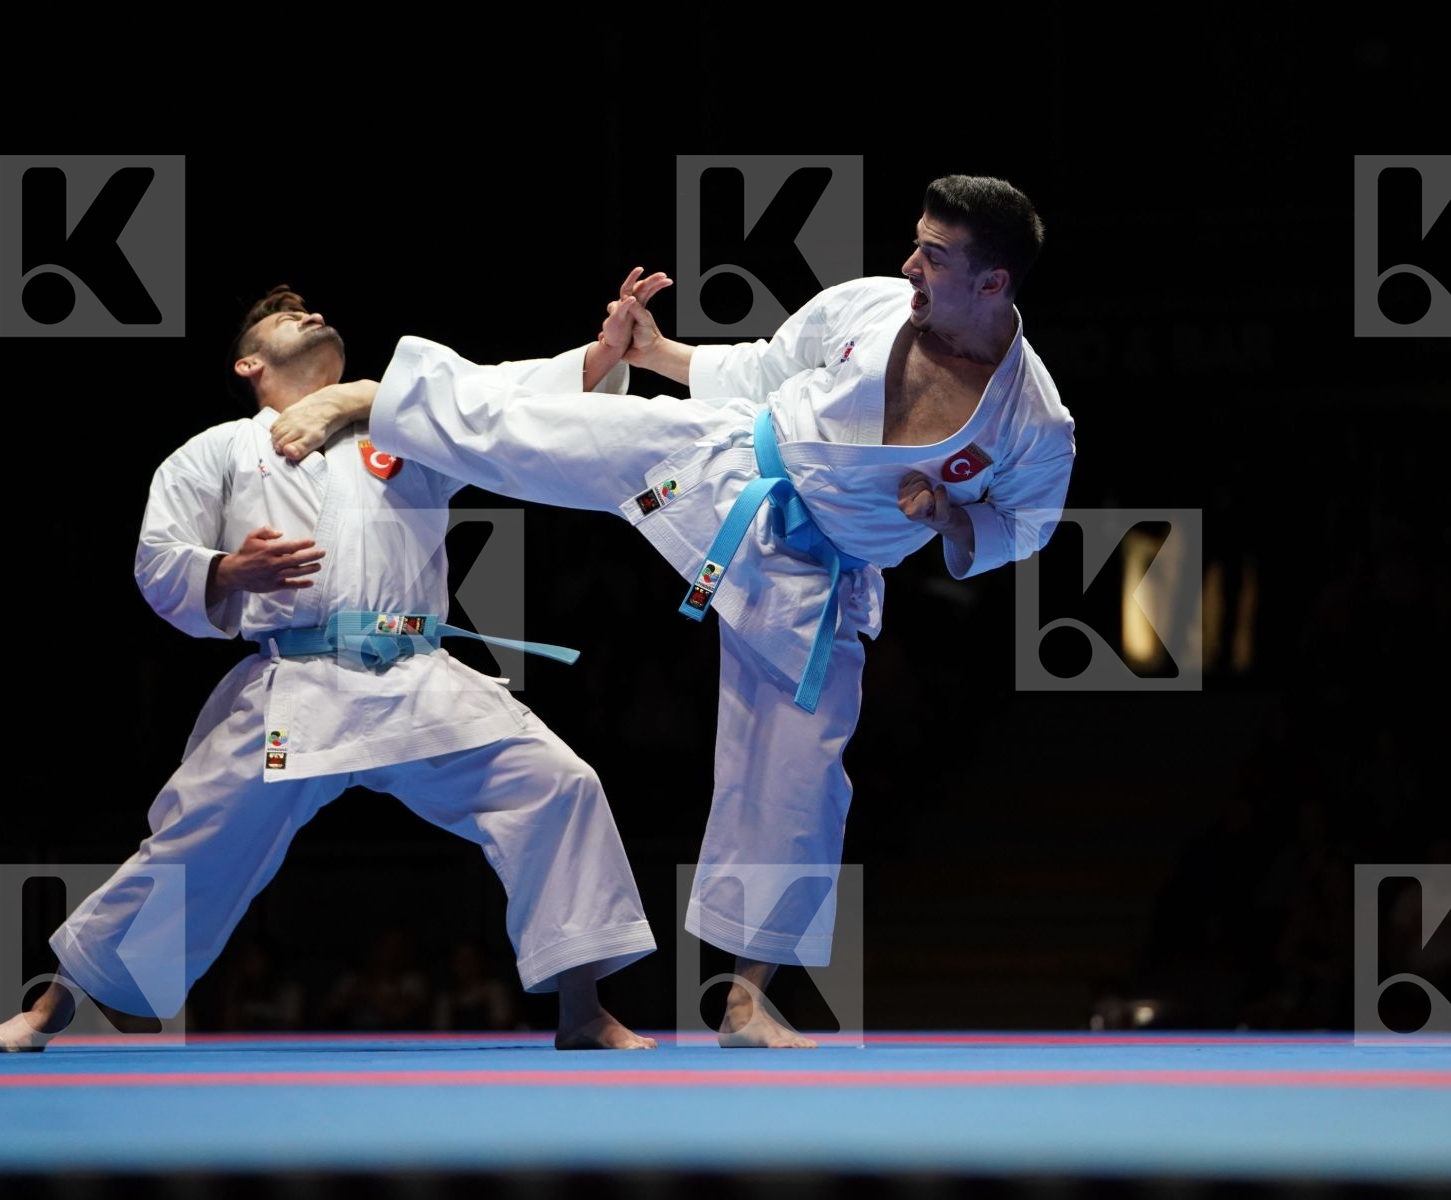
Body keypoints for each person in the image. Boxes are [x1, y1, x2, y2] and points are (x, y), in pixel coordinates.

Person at [272, 175, 1075, 1047]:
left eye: (936, 255)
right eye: (918, 241)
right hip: (728, 464)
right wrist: (656, 354)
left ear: (993, 283)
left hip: (815, 577)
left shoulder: (1035, 422)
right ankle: (374, 398)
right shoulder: (874, 306)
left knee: (801, 780)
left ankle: (746, 1001)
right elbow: (765, 366)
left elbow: (1024, 529)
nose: (911, 263)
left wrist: (953, 517)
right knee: (558, 433)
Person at [0, 286, 659, 1053]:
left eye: (313, 310)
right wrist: (229, 570)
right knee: (194, 839)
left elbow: (499, 407)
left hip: (416, 678)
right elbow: (158, 560)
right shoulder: (221, 450)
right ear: (249, 363)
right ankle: (55, 1004)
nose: (308, 311)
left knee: (559, 785)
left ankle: (581, 1008)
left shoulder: (404, 432)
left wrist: (601, 357)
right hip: (297, 686)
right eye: (281, 316)